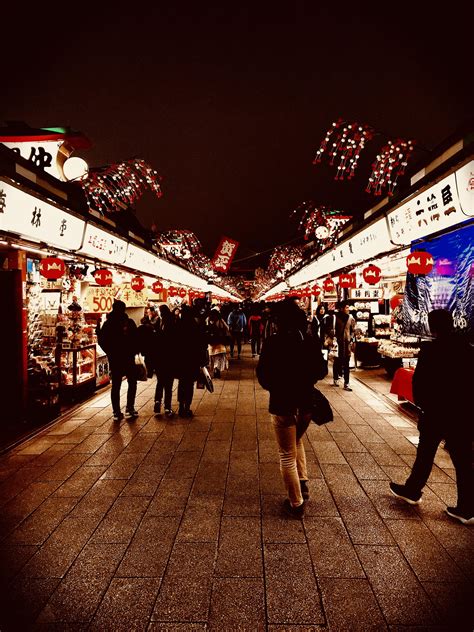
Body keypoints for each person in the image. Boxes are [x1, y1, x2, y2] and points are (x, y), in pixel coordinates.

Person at [389, 309, 473, 525]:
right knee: (463, 460)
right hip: (461, 413)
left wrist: (423, 406)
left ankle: (413, 490)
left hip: (436, 412)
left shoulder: (430, 350)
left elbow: (420, 382)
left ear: (432, 326)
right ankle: (467, 507)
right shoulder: (467, 348)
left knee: (426, 453)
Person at [256, 298, 327, 519]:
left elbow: (263, 375)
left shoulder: (272, 342)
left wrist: (278, 386)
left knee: (286, 454)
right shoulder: (310, 340)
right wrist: (304, 381)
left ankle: (296, 503)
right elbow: (321, 371)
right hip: (306, 402)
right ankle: (303, 481)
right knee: (296, 440)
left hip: (282, 403)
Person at [97, 299, 139, 422]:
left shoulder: (108, 324)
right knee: (132, 383)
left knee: (116, 385)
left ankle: (116, 411)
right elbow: (136, 339)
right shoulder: (128, 322)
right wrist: (134, 351)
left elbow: (102, 341)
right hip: (128, 357)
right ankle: (129, 408)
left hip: (115, 358)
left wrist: (110, 352)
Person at [175, 304, 208, 417]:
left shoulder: (177, 326)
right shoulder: (195, 327)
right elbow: (201, 345)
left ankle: (180, 407)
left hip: (180, 360)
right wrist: (202, 361)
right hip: (192, 360)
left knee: (181, 383)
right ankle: (187, 407)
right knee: (189, 384)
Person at [153, 304, 178, 417]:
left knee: (160, 382)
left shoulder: (158, 323)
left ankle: (157, 402)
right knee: (168, 384)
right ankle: (167, 408)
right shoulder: (173, 323)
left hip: (159, 358)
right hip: (171, 358)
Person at [333, 301, 356, 391]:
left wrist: (351, 339)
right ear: (342, 308)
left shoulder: (350, 318)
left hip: (346, 344)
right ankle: (335, 378)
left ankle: (347, 383)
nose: (348, 309)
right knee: (337, 361)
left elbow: (353, 330)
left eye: (348, 307)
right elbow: (332, 329)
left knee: (346, 364)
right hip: (338, 344)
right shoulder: (336, 317)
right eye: (346, 307)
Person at [206, 308, 230, 378]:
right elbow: (227, 328)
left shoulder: (208, 319)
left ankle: (214, 369)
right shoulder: (220, 319)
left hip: (211, 343)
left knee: (212, 358)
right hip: (220, 342)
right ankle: (217, 369)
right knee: (219, 358)